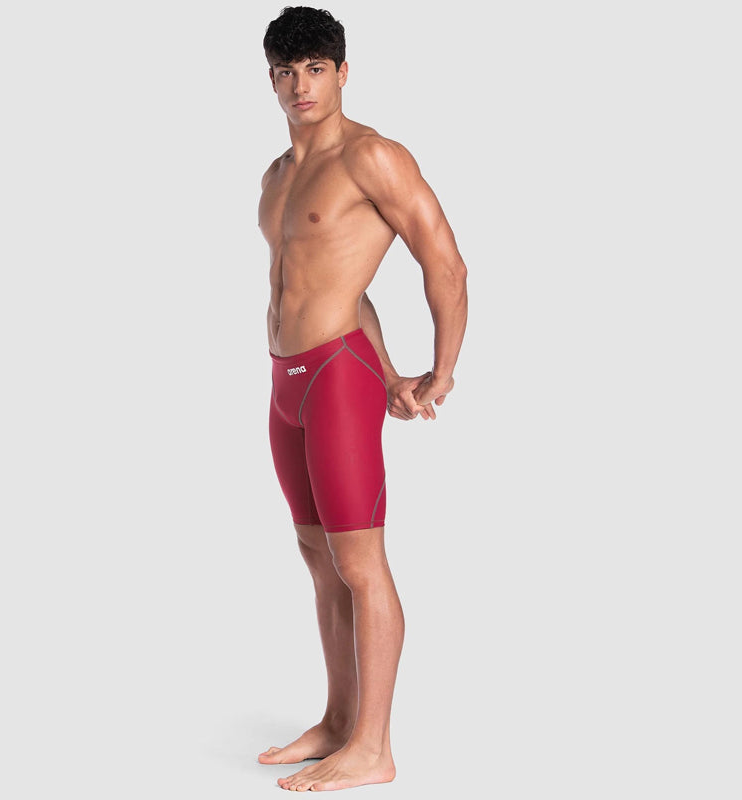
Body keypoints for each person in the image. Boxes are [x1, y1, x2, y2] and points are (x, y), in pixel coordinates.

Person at [257, 6, 468, 792]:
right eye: (286, 71)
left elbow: (445, 262)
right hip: (287, 384)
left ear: (343, 72)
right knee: (319, 559)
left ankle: (373, 748)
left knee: (360, 563)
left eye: (315, 68)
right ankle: (339, 720)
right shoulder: (277, 176)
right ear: (271, 80)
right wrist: (388, 369)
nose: (300, 85)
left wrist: (439, 370)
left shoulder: (371, 156)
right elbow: (347, 288)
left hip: (334, 379)